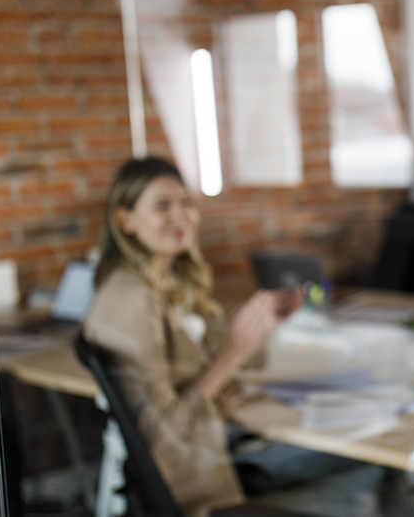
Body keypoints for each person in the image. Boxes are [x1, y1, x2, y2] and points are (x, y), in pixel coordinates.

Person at [82, 157, 358, 517]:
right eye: (162, 206)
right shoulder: (132, 300)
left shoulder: (160, 286)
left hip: (214, 448)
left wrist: (255, 330)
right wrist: (233, 352)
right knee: (353, 460)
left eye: (186, 203)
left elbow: (219, 362)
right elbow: (165, 432)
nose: (181, 216)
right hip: (196, 478)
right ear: (125, 220)